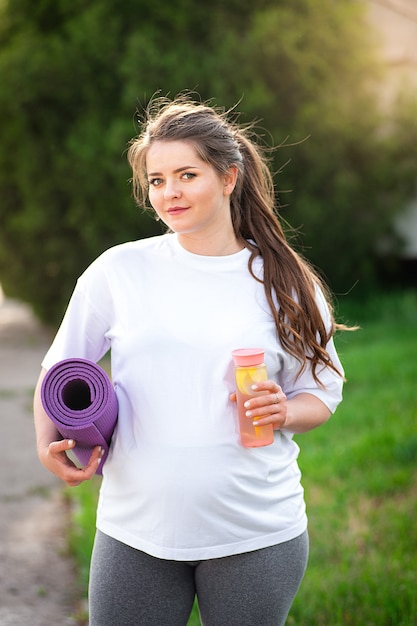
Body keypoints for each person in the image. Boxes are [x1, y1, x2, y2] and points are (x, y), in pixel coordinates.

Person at [34, 95, 347, 626]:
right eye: (157, 180)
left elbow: (321, 391)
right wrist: (47, 447)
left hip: (255, 531)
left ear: (228, 178)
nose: (169, 193)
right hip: (136, 530)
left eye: (186, 174)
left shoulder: (285, 281)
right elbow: (58, 370)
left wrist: (284, 411)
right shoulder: (119, 270)